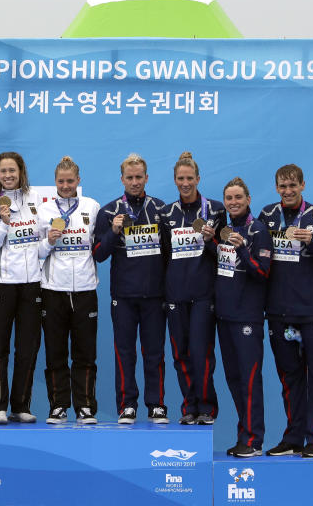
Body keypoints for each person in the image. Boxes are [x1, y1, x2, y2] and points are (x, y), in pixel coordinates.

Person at [258, 164, 313, 458]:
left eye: (293, 185)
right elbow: (259, 258)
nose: (288, 191)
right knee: (289, 381)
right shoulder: (268, 216)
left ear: (303, 185)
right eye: (282, 186)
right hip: (279, 313)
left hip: (312, 314)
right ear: (276, 188)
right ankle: (294, 437)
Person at [93, 153, 170, 425]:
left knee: (154, 351)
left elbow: (170, 253)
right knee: (124, 351)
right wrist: (113, 232)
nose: (135, 182)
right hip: (123, 296)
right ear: (122, 179)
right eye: (130, 177)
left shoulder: (161, 209)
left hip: (155, 295)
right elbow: (99, 254)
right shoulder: (109, 211)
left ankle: (157, 404)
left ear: (146, 178)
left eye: (139, 177)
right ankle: (127, 404)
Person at [0, 151, 43, 425]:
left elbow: (40, 243)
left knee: (27, 347)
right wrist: (4, 225)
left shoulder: (35, 200)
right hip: (1, 284)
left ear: (21, 172)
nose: (8, 175)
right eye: (3, 171)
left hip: (31, 285)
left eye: (12, 171)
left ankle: (21, 405)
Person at [163, 151, 225, 425]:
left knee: (202, 353)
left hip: (204, 295)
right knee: (181, 354)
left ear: (198, 179)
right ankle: (189, 406)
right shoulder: (167, 213)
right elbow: (164, 254)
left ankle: (207, 407)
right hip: (176, 294)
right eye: (180, 178)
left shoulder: (216, 210)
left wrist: (211, 242)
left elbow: (226, 253)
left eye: (190, 178)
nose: (185, 183)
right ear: (175, 181)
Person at [37, 156, 101, 425]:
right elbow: (36, 253)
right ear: (55, 182)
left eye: (70, 181)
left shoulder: (92, 207)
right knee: (55, 352)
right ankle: (58, 406)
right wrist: (48, 241)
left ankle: (85, 406)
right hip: (53, 289)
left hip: (85, 289)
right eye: (61, 181)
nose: (65, 185)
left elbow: (97, 247)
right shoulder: (42, 210)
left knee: (85, 352)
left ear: (78, 181)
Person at [215, 177, 271, 457]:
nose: (233, 202)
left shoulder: (258, 229)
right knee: (234, 380)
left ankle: (254, 440)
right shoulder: (225, 230)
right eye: (229, 198)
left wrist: (242, 249)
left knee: (250, 380)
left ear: (248, 199)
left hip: (248, 318)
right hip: (224, 317)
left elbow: (262, 273)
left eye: (238, 197)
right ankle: (244, 436)